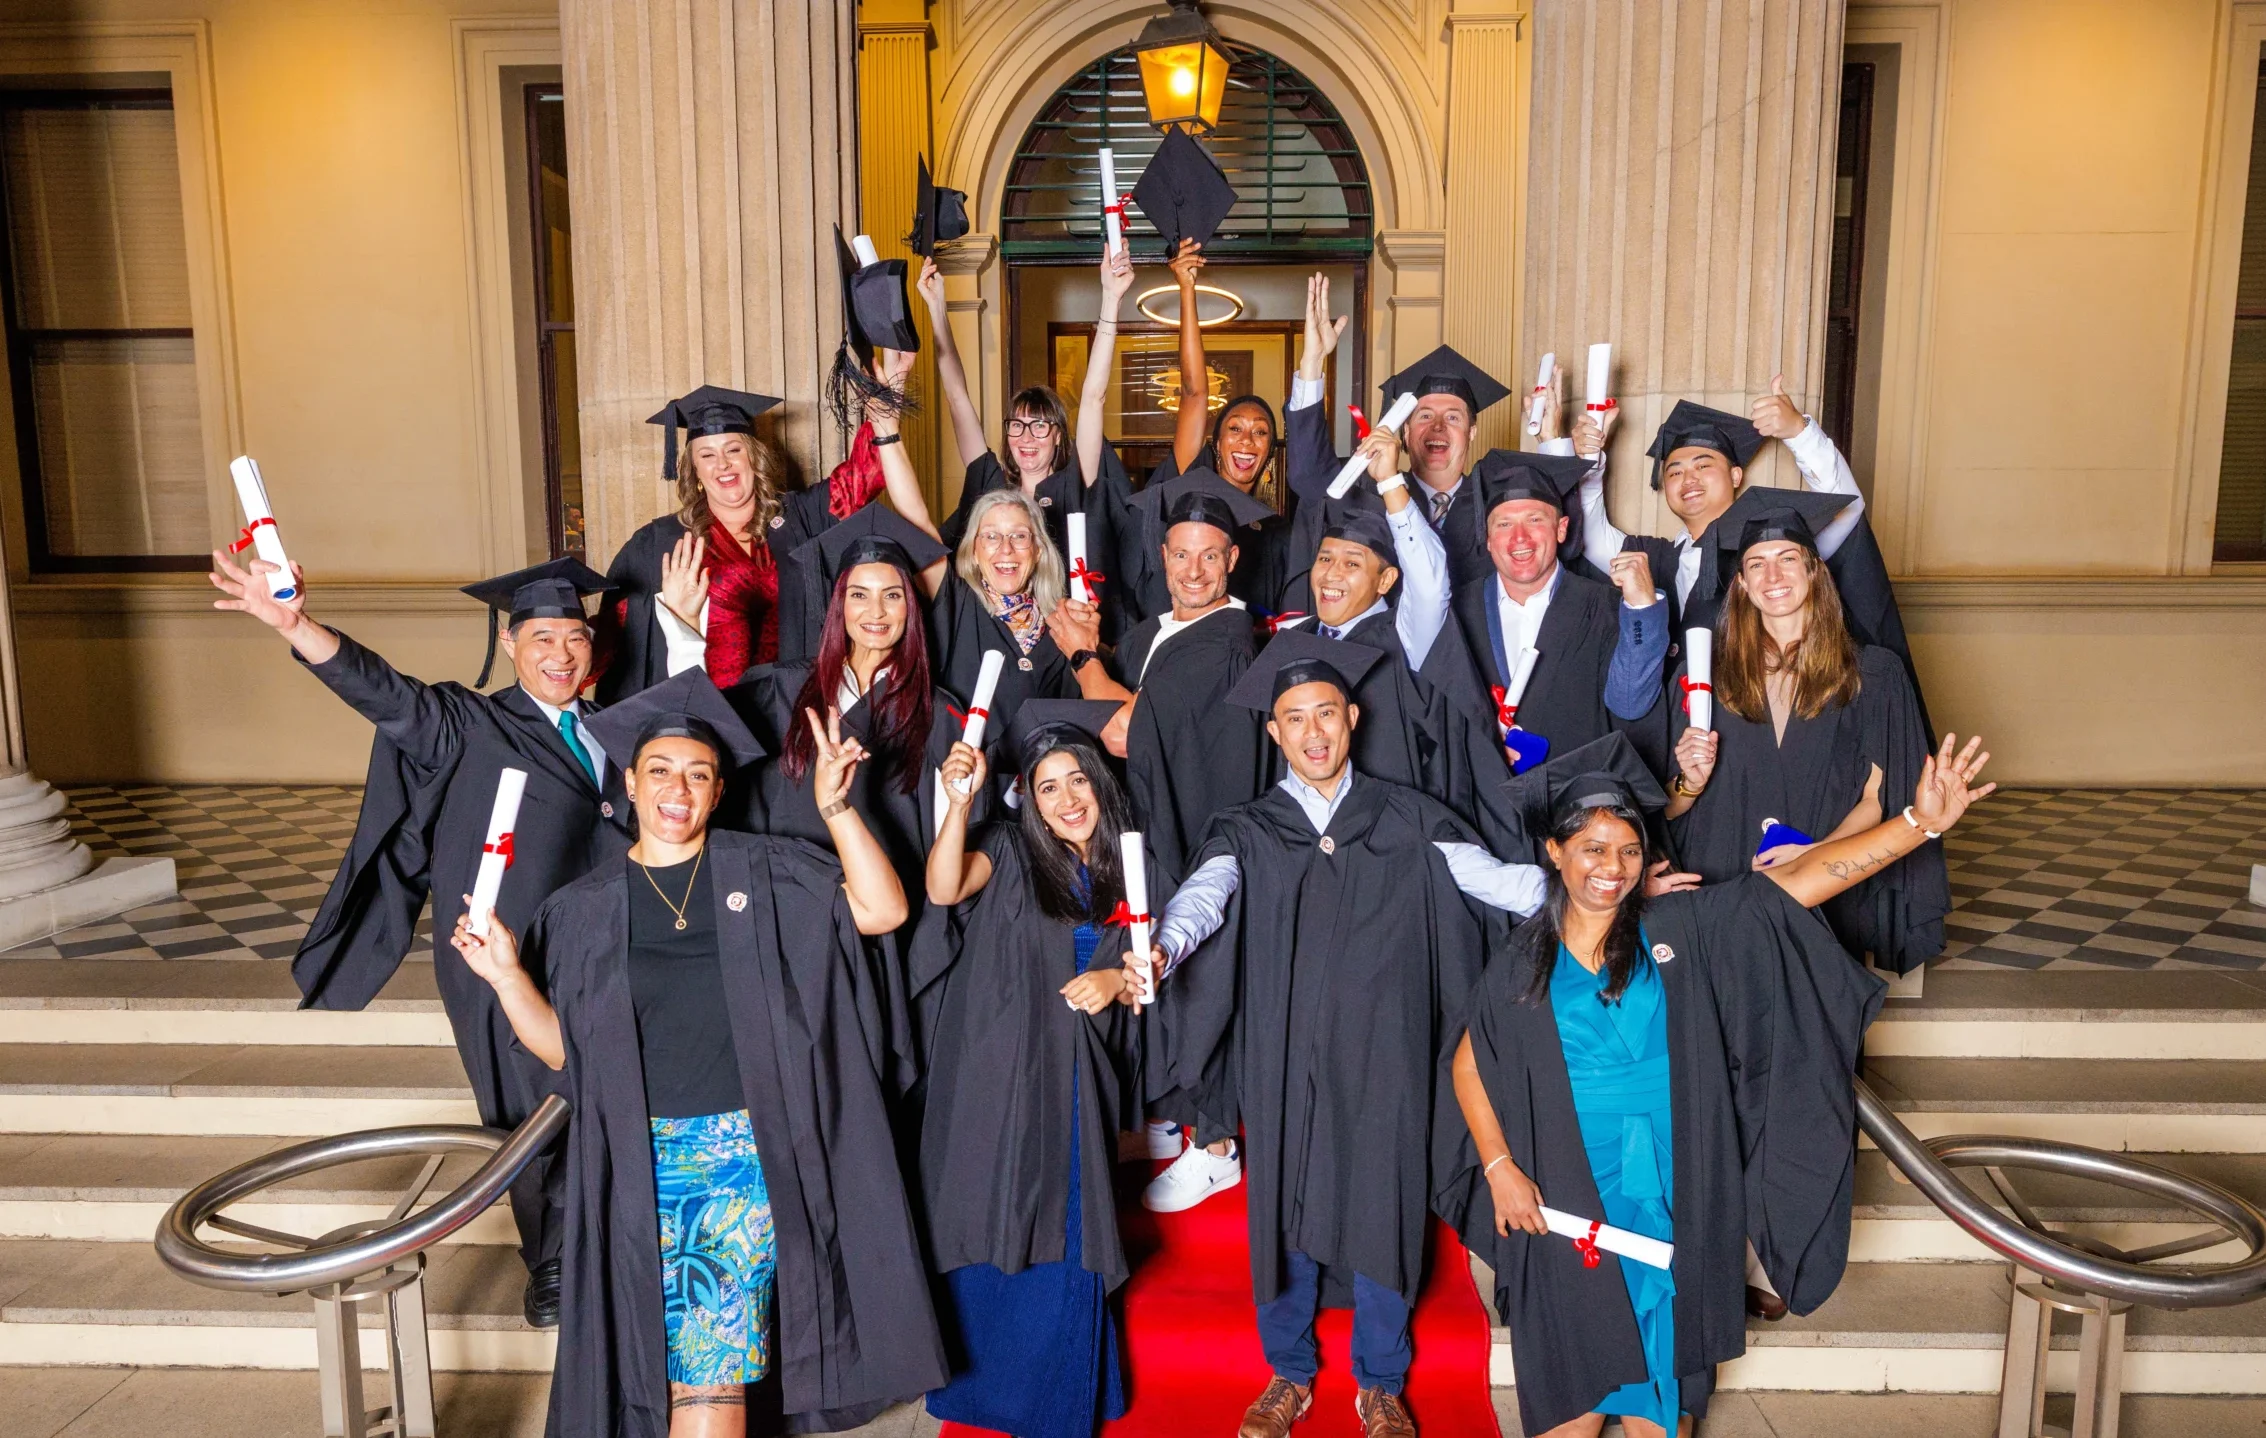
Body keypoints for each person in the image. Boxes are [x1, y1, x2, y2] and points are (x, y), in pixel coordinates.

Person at [1452, 731, 1994, 1438]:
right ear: (1554, 853)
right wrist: (1499, 1169)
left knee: (1661, 1415)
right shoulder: (1523, 958)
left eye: (1627, 850)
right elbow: (1470, 1063)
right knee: (1569, 1414)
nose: (1611, 869)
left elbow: (1803, 881)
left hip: (1675, 1192)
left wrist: (1918, 823)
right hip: (1565, 1193)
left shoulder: (1685, 929)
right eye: (1591, 849)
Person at [448, 669, 946, 1437]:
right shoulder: (582, 912)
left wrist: (838, 808)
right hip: (635, 1168)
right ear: (630, 781)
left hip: (741, 1161)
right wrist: (508, 976)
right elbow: (562, 1053)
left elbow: (883, 909)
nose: (677, 791)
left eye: (698, 775)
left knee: (704, 1382)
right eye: (659, 772)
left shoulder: (768, 871)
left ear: (718, 793)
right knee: (678, 1379)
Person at [1134, 637, 1552, 1437]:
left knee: (1384, 1210)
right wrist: (1163, 945)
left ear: (1352, 718)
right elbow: (1203, 897)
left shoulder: (1407, 817)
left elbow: (1500, 882)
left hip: (1388, 1059)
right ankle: (1288, 1373)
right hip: (1285, 1062)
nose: (1314, 732)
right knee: (1282, 1213)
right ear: (1275, 733)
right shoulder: (1250, 828)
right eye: (1295, 718)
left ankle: (1381, 1383)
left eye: (1327, 712)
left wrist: (1600, 886)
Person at [210, 549, 624, 1328]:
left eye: (574, 637)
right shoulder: (467, 724)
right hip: (505, 951)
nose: (561, 654)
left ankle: (618, 1240)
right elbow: (384, 693)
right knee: (529, 1107)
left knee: (613, 1090)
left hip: (607, 945)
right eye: (542, 638)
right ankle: (555, 1260)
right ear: (510, 644)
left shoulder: (613, 727)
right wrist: (294, 625)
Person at [912, 699, 1161, 1438]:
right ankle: (993, 1393)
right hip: (1004, 1068)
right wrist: (957, 806)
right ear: (1029, 798)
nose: (1067, 799)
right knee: (997, 1215)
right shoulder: (1013, 851)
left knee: (1067, 1229)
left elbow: (1150, 977)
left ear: (1101, 786)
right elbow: (942, 888)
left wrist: (1125, 979)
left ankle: (1062, 1403)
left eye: (1078, 780)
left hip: (1081, 1077)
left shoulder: (1131, 863)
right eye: (1047, 787)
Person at [1664, 501, 1949, 972]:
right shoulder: (1700, 677)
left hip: (1826, 885)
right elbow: (1667, 808)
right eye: (1756, 563)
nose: (1772, 574)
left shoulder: (1873, 674)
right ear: (1741, 584)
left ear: (1814, 572)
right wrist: (1690, 783)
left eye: (1787, 558)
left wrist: (1813, 856)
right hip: (1721, 888)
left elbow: (1878, 799)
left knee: (1819, 1024)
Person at [1568, 384, 1927, 725]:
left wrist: (1799, 433)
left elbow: (1846, 512)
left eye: (1703, 465)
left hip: (1752, 733)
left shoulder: (1769, 555)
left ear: (1736, 475)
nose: (1688, 479)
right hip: (1668, 738)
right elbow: (1593, 539)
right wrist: (1589, 459)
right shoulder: (1654, 557)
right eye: (1674, 471)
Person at [596, 386, 868, 701]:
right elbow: (611, 640)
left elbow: (865, 475)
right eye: (707, 455)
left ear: (754, 456)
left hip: (795, 710)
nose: (722, 464)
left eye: (733, 450)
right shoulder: (659, 544)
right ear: (694, 470)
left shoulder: (800, 518)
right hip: (710, 716)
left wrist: (888, 395)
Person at [1417, 449, 1673, 778]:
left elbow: (1631, 703)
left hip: (1575, 808)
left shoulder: (1606, 607)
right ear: (1489, 539)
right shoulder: (1454, 612)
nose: (1519, 538)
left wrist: (1642, 609)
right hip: (1482, 809)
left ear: (1562, 529)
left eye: (1535, 520)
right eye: (1505, 524)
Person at [1099, 239, 1292, 618]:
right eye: (1234, 428)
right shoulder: (1191, 480)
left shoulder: (1272, 532)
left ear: (1269, 452)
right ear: (1216, 444)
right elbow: (1194, 391)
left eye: (1261, 432)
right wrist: (1187, 289)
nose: (1247, 440)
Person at [1282, 274, 1514, 588]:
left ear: (1472, 432)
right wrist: (1312, 362)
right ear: (1403, 432)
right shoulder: (1370, 495)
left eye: (1454, 418)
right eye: (1425, 415)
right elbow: (1309, 476)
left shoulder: (1497, 505)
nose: (1438, 427)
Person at [918, 253, 1116, 562]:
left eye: (1039, 426)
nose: (1026, 437)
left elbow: (1093, 398)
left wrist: (1112, 298)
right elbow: (957, 397)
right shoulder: (990, 485)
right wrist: (936, 308)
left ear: (1059, 436)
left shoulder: (1075, 483)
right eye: (1017, 425)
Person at [926, 488, 1082, 753]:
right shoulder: (957, 605)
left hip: (1038, 788)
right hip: (963, 784)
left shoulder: (1063, 626)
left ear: (1038, 550)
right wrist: (887, 443)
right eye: (991, 536)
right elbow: (917, 521)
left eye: (1019, 536)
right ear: (974, 551)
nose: (1006, 548)